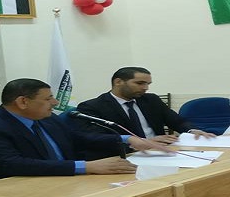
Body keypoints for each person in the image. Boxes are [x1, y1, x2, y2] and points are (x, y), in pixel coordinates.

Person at [0, 78, 169, 184]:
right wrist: (86, 166)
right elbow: (13, 164)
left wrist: (128, 139)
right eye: (48, 98)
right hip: (8, 193)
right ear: (23, 102)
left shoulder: (48, 119)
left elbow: (79, 138)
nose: (56, 102)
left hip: (57, 182)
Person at [74, 67, 214, 159]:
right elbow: (93, 138)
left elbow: (177, 121)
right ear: (118, 82)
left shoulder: (151, 100)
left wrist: (192, 130)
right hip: (128, 155)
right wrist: (140, 143)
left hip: (163, 151)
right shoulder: (92, 107)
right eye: (140, 83)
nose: (145, 88)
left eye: (148, 84)